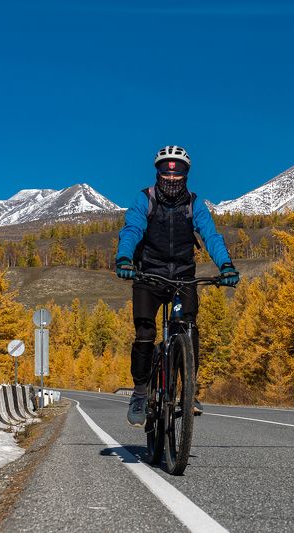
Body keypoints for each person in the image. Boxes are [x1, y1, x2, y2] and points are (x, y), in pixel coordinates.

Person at [115, 145, 239, 427]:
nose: (172, 177)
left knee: (188, 326)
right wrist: (124, 259)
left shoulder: (194, 204)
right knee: (145, 332)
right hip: (149, 275)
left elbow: (211, 236)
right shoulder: (145, 199)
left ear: (186, 174)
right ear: (158, 173)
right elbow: (132, 229)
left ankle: (188, 392)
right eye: (166, 171)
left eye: (178, 172)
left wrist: (226, 266)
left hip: (183, 277)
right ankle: (140, 393)